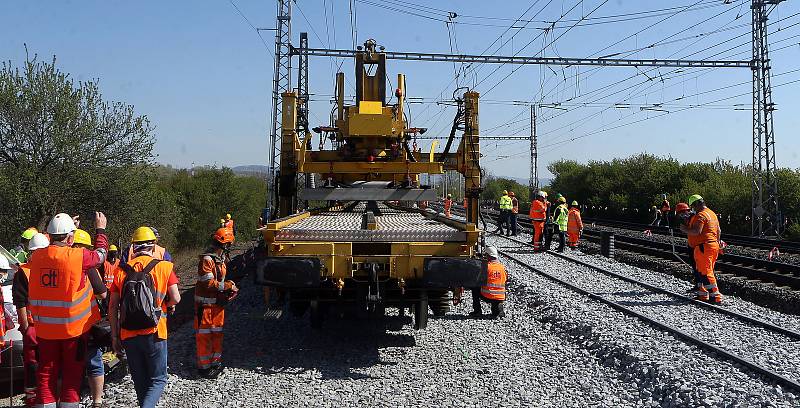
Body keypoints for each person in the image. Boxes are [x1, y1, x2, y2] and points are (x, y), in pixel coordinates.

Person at [27, 212, 109, 408]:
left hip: (45, 331)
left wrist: (66, 228)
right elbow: (101, 254)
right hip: (74, 331)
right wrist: (100, 230)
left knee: (45, 375)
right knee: (72, 378)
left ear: (50, 235)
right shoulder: (79, 256)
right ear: (71, 238)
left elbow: (52, 246)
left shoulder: (37, 256)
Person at [109, 226, 181, 408]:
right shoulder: (164, 267)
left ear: (133, 247)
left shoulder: (120, 270)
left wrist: (115, 336)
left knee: (140, 381)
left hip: (128, 334)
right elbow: (176, 298)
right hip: (155, 331)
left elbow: (112, 306)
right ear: (154, 246)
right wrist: (167, 305)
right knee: (158, 380)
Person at [194, 227, 238, 379]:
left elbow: (219, 282)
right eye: (229, 245)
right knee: (204, 336)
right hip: (205, 307)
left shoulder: (220, 259)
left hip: (218, 306)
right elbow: (209, 283)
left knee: (217, 335)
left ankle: (215, 363)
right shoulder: (207, 260)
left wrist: (229, 285)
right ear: (225, 245)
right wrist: (228, 286)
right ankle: (204, 368)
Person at [71, 229, 108, 408]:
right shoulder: (87, 266)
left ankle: (69, 399)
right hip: (84, 321)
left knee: (68, 364)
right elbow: (102, 293)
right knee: (94, 360)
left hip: (63, 323)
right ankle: (97, 401)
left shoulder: (59, 262)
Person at [12, 232, 49, 407]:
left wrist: (26, 328)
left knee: (34, 366)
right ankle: (43, 398)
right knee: (46, 365)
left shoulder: (24, 272)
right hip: (47, 326)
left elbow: (20, 302)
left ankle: (35, 399)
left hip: (34, 327)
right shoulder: (51, 269)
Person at [680, 195, 722, 303]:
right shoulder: (712, 214)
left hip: (704, 246)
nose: (693, 209)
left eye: (693, 206)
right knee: (702, 271)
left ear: (696, 204)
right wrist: (716, 242)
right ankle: (703, 294)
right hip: (712, 246)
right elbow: (719, 231)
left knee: (705, 272)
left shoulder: (701, 215)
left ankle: (715, 297)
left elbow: (696, 231)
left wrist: (683, 228)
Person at [469, 246, 506, 319]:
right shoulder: (502, 267)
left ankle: (477, 312)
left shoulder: (486, 267)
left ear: (487, 256)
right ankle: (499, 312)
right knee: (497, 294)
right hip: (501, 296)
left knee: (475, 289)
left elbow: (479, 280)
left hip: (488, 295)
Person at [675, 202, 701, 291]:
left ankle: (701, 287)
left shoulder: (694, 217)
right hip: (692, 245)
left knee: (699, 268)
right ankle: (698, 285)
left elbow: (695, 231)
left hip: (697, 246)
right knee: (695, 267)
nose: (681, 215)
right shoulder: (689, 218)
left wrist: (684, 229)